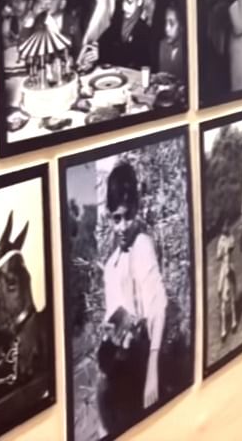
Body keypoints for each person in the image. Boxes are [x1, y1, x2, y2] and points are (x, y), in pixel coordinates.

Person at [98, 162, 167, 436]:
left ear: (137, 211)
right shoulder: (110, 265)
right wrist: (109, 334)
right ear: (109, 218)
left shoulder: (142, 246)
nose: (122, 226)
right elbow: (113, 313)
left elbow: (157, 306)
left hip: (143, 362)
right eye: (116, 219)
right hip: (119, 367)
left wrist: (153, 370)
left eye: (127, 217)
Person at [93, 0, 152, 70]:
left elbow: (132, 59)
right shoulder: (119, 15)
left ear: (139, 1)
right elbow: (108, 36)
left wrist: (102, 52)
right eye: (124, 1)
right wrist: (96, 46)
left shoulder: (144, 29)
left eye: (129, 2)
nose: (124, 7)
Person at [156, 0, 185, 79]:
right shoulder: (163, 45)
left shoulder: (189, 50)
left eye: (171, 24)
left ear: (182, 27)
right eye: (166, 22)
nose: (166, 28)